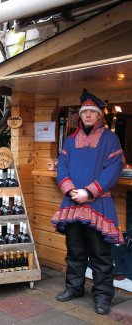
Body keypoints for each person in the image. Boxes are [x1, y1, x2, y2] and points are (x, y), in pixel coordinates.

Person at [51, 88, 125, 315]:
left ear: (99, 115)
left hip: (97, 204)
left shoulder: (111, 139)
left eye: (92, 112)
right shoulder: (71, 140)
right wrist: (71, 190)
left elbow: (114, 168)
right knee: (74, 250)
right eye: (85, 112)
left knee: (100, 253)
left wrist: (89, 192)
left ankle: (103, 296)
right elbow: (62, 166)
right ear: (81, 115)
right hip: (73, 204)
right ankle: (74, 288)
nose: (88, 115)